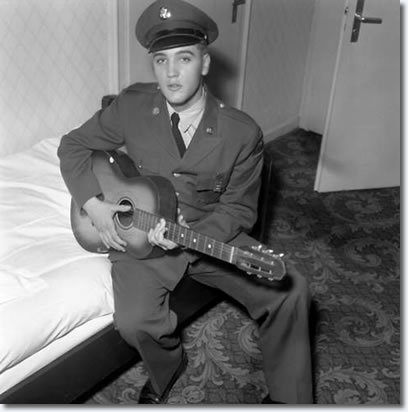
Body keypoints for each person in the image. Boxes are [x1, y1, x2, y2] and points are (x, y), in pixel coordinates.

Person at [58, 0, 313, 404]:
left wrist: (192, 237)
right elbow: (73, 146)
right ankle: (168, 367)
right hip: (140, 238)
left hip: (208, 233)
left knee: (291, 289)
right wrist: (93, 204)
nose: (171, 73)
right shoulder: (132, 106)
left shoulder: (242, 133)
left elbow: (239, 210)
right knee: (134, 322)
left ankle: (289, 398)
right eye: (161, 60)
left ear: (205, 63)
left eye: (184, 58)